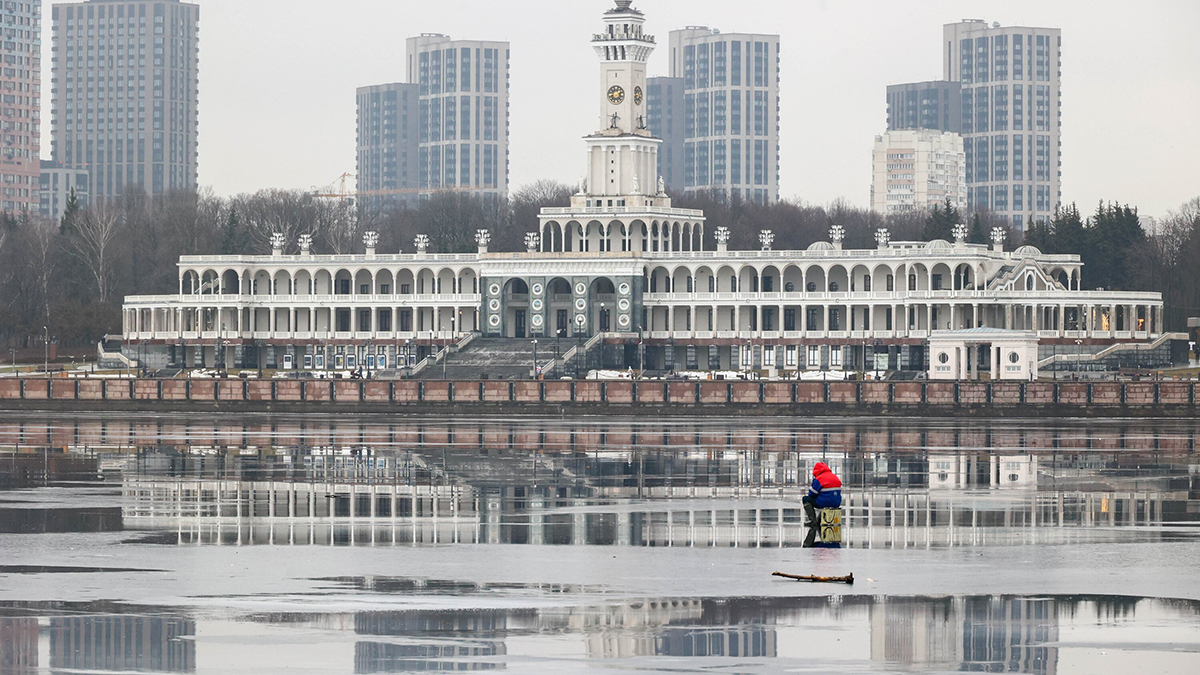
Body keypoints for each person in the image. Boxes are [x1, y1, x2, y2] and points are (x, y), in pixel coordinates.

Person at [802, 462, 842, 527]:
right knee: (825, 499)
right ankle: (818, 521)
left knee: (806, 499)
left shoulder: (819, 478)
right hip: (836, 503)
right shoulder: (835, 476)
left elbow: (812, 494)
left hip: (825, 502)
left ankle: (813, 521)